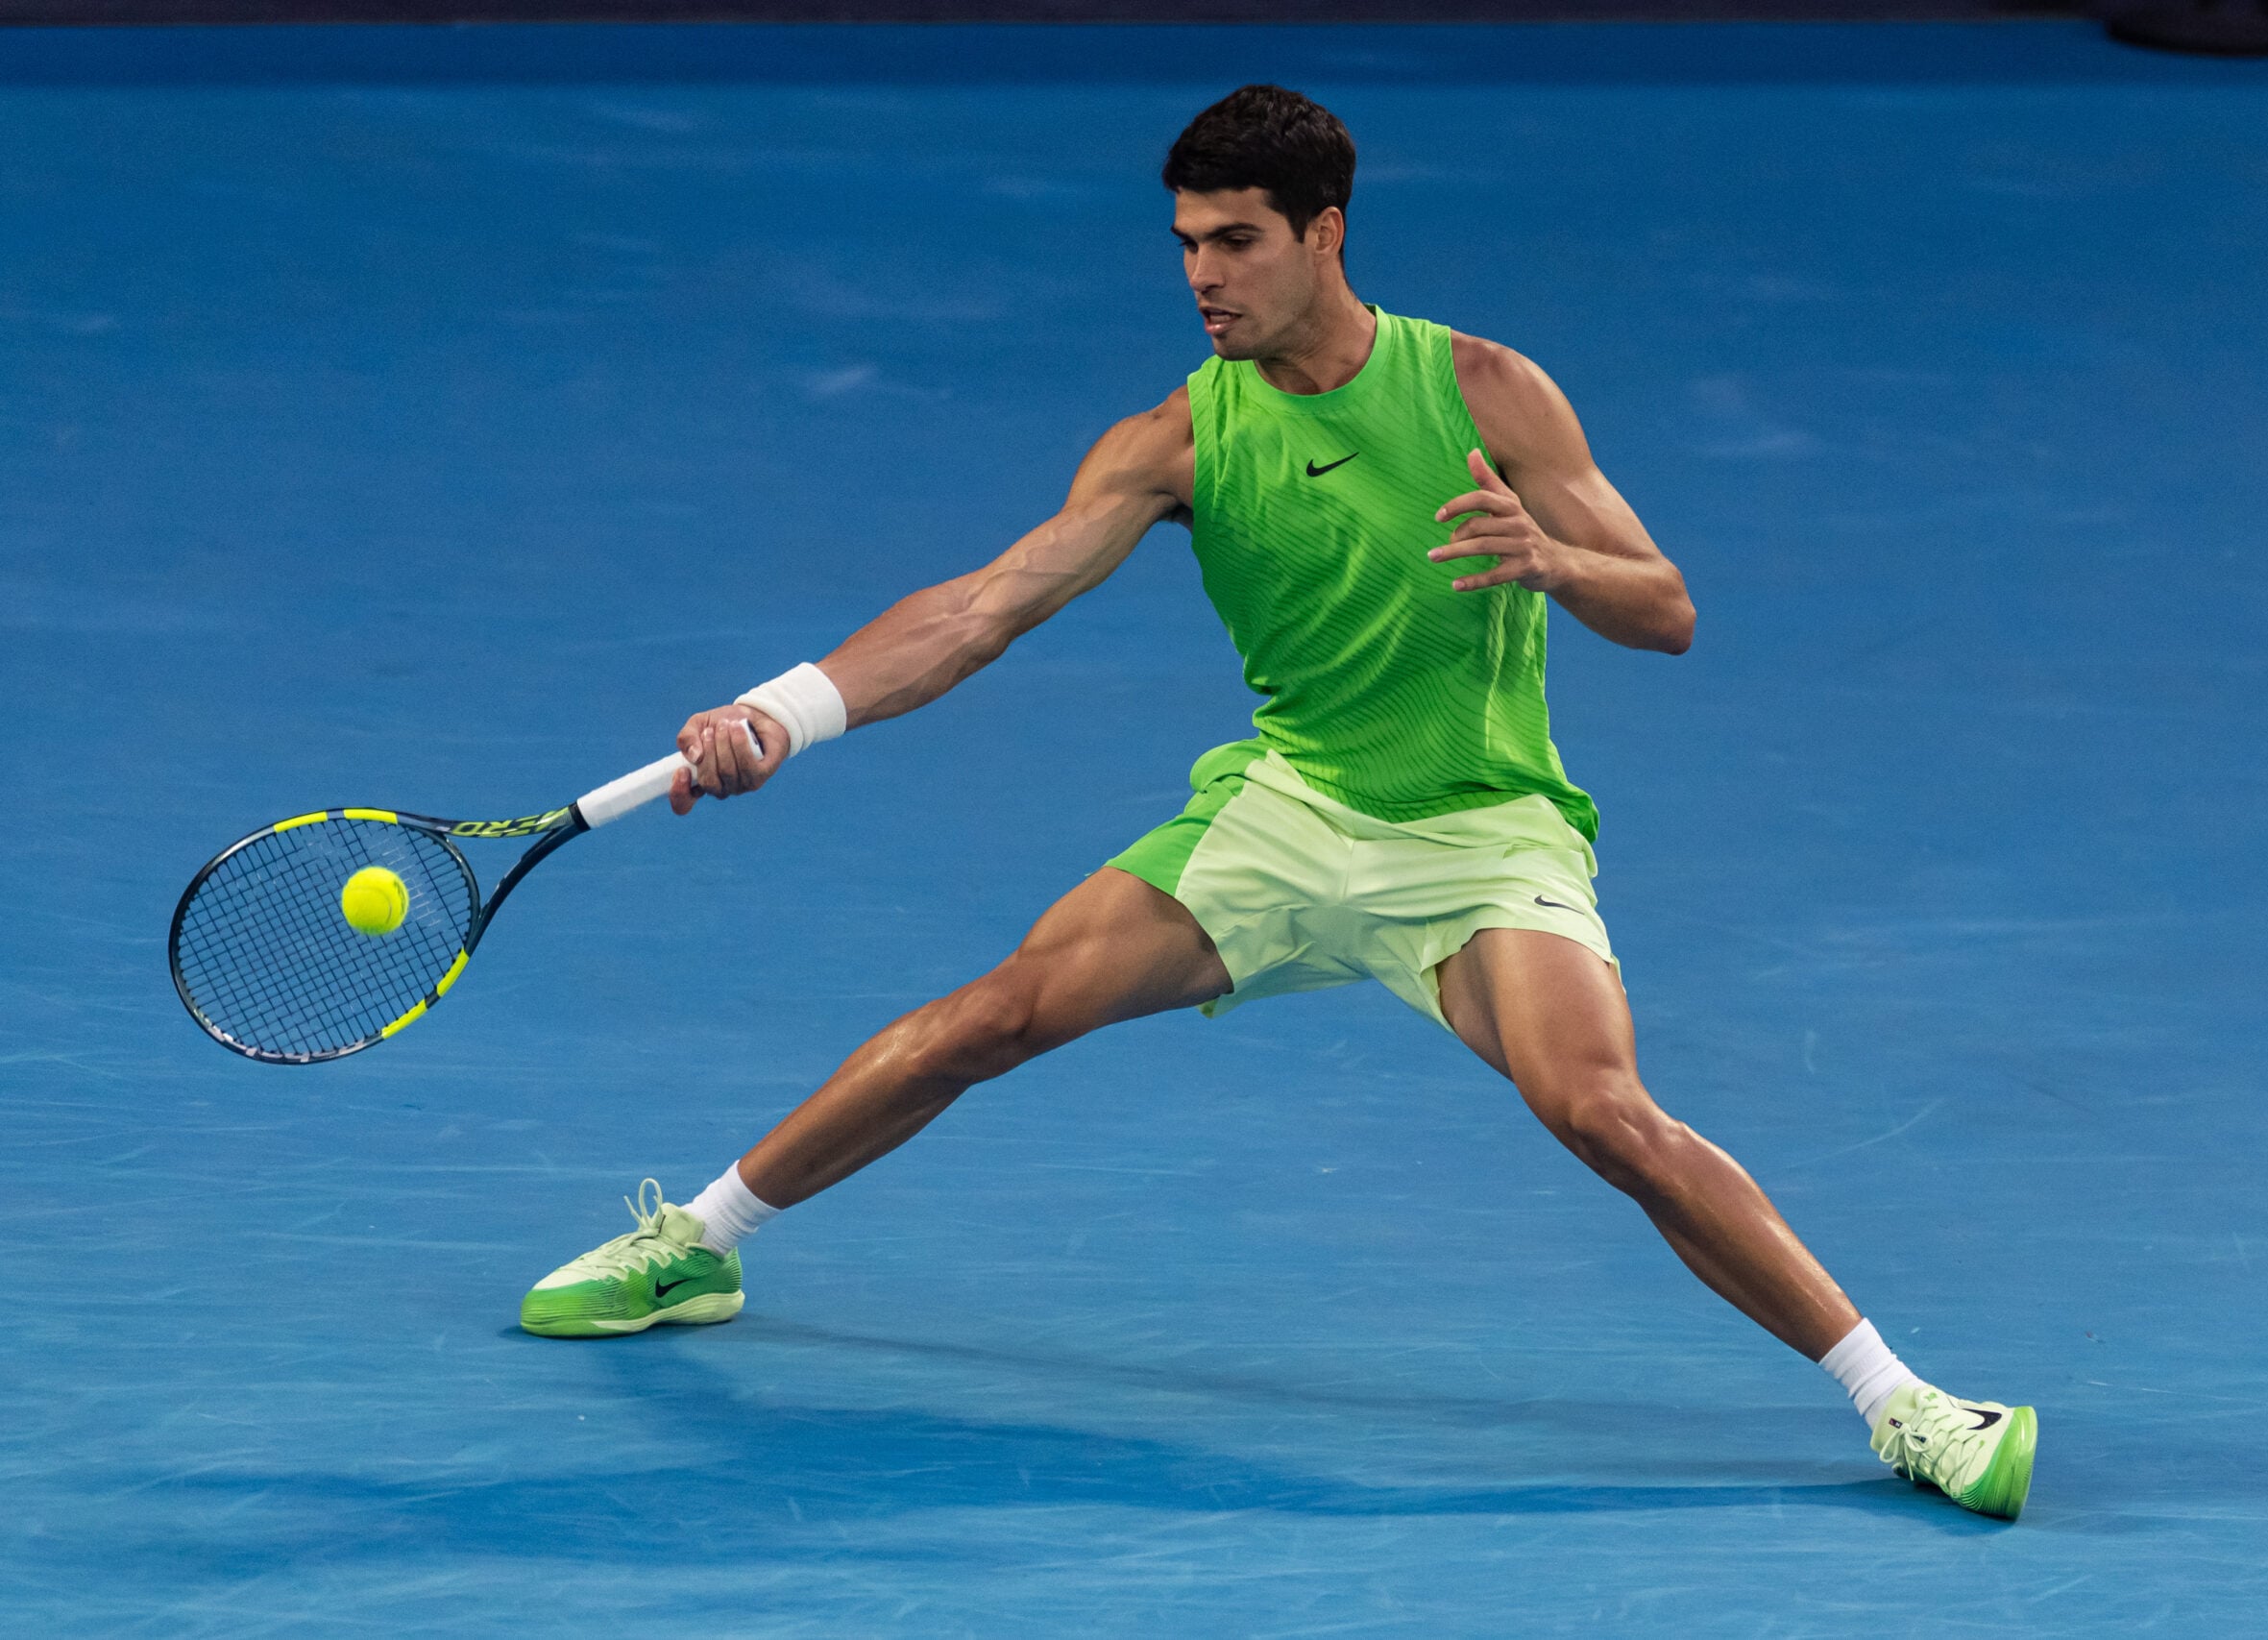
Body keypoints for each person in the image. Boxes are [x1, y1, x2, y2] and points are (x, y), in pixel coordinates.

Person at [518, 85, 2036, 1522]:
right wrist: (783, 715)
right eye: (1185, 243)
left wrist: (1554, 563)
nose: (1202, 275)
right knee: (995, 1014)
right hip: (1288, 813)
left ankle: (1901, 1402)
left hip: (1480, 829)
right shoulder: (1175, 440)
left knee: (1603, 1112)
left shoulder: (1486, 390)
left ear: (1325, 233)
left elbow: (1668, 608)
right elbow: (983, 607)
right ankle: (698, 1248)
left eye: (1235, 240)